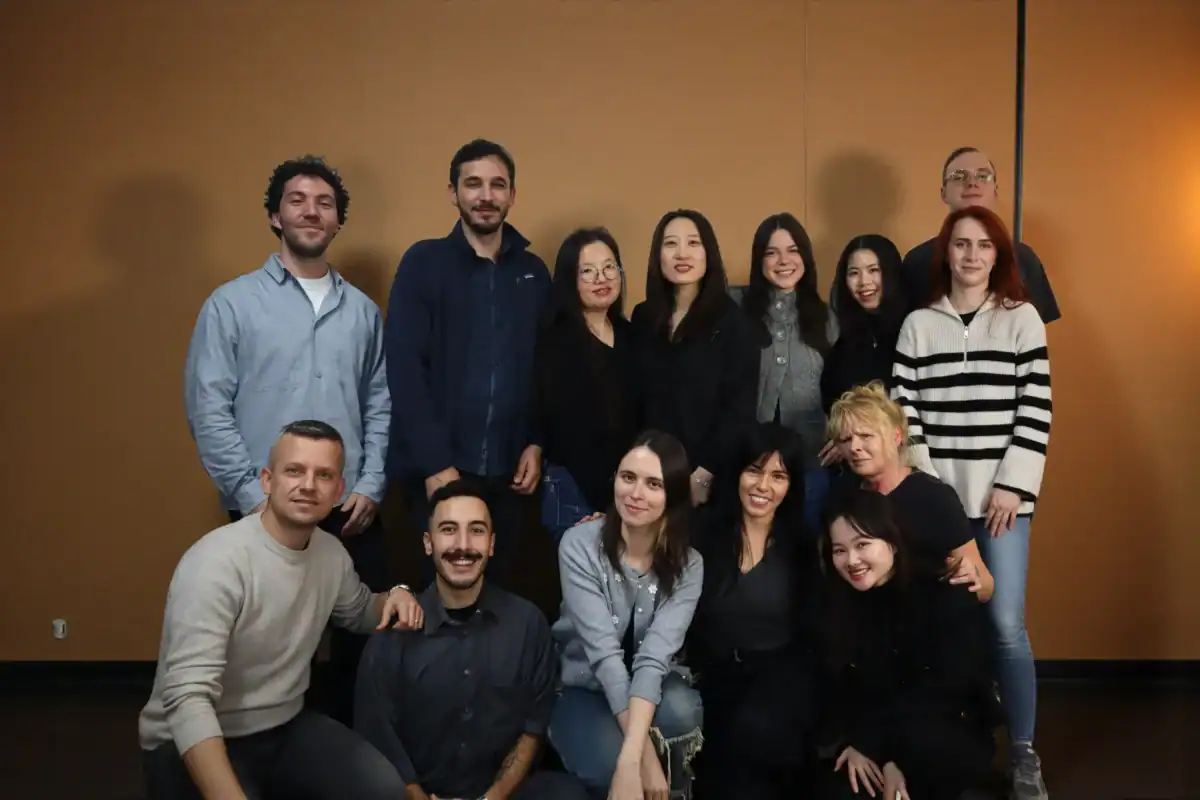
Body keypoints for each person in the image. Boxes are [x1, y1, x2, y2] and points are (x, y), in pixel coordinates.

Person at [183, 155, 392, 725]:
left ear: (338, 221)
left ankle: (347, 748)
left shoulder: (363, 313)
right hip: (263, 507)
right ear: (276, 216)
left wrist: (372, 483)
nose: (311, 211)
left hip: (349, 506)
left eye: (325, 203)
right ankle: (259, 743)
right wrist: (252, 496)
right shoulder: (232, 304)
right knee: (262, 639)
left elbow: (379, 404)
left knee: (361, 643)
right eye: (297, 200)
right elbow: (208, 407)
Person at [138, 421, 421, 800]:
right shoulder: (216, 562)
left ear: (338, 490)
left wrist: (398, 594)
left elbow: (362, 612)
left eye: (323, 475)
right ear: (267, 481)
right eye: (294, 471)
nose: (308, 485)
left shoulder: (331, 554)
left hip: (283, 727)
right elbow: (188, 700)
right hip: (189, 738)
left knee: (385, 790)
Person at [893, 205, 1052, 799]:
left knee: (1005, 625)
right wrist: (932, 494)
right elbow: (904, 413)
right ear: (947, 252)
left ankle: (1024, 751)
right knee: (943, 623)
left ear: (998, 255)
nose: (972, 255)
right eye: (962, 244)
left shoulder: (1022, 319)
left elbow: (1036, 407)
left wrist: (1014, 484)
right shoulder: (918, 324)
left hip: (1004, 504)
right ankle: (953, 739)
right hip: (940, 504)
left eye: (984, 245)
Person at [354, 480, 589, 800]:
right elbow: (380, 740)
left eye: (476, 530)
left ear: (491, 544)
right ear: (428, 543)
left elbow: (533, 728)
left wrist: (493, 798)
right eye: (449, 530)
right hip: (414, 796)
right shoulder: (394, 635)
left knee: (566, 794)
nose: (462, 545)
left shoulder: (527, 624)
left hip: (501, 794)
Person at [385, 138, 550, 588]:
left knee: (503, 595)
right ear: (453, 193)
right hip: (437, 470)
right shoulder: (423, 263)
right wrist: (435, 462)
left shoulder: (533, 273)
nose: (486, 196)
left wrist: (536, 441)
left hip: (512, 476)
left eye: (498, 185)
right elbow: (404, 369)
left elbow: (546, 367)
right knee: (437, 594)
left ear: (512, 195)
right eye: (473, 184)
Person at [549, 431, 705, 800]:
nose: (635, 493)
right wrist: (640, 759)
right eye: (628, 477)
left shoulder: (689, 565)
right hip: (585, 683)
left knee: (682, 711)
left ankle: (673, 791)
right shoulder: (578, 545)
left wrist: (636, 756)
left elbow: (653, 659)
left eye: (653, 484)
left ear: (673, 496)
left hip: (653, 684)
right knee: (612, 765)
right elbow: (604, 657)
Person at [814, 489, 999, 800]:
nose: (852, 560)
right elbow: (846, 688)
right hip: (872, 730)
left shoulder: (945, 592)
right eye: (839, 550)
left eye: (862, 544)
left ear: (892, 542)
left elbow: (945, 689)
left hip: (940, 728)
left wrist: (894, 758)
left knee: (924, 760)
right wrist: (869, 748)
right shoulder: (837, 602)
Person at [687, 422, 821, 798]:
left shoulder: (803, 547)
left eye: (778, 476)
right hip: (710, 676)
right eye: (754, 471)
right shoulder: (701, 533)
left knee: (757, 737)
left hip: (777, 679)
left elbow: (810, 634)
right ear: (737, 473)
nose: (763, 486)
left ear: (791, 486)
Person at [630, 209, 759, 507]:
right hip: (649, 474)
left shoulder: (734, 323)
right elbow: (635, 399)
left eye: (693, 242)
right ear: (658, 255)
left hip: (707, 479)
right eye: (670, 244)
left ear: (708, 253)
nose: (682, 254)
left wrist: (703, 475)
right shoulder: (644, 316)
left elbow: (738, 411)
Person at [826, 381, 994, 602]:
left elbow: (986, 586)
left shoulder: (934, 497)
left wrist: (971, 578)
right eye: (846, 440)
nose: (854, 447)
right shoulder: (842, 496)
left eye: (866, 436)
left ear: (897, 437)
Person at [734, 213, 837, 531]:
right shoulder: (735, 306)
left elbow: (843, 385)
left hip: (809, 462)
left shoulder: (827, 317)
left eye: (793, 250)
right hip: (746, 461)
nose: (783, 261)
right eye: (771, 252)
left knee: (804, 544)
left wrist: (842, 435)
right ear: (759, 260)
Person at [533, 227, 638, 542]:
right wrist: (607, 504)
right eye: (587, 271)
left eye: (609, 267)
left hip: (627, 491)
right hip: (574, 490)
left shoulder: (632, 335)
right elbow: (565, 430)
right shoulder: (557, 340)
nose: (601, 278)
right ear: (569, 280)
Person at [900, 146, 1061, 324]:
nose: (972, 183)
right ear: (943, 193)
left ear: (995, 191)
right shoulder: (916, 261)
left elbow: (1035, 333)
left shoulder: (1024, 258)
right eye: (959, 176)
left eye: (983, 176)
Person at [819, 233, 908, 415]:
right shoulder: (835, 331)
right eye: (854, 273)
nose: (863, 282)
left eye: (873, 270)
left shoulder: (912, 327)